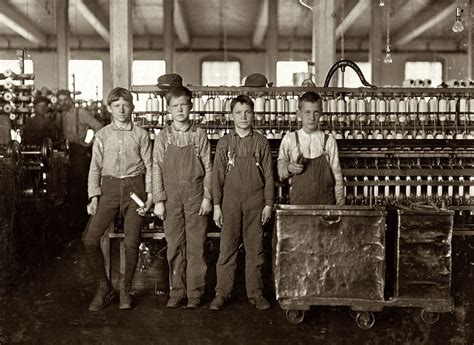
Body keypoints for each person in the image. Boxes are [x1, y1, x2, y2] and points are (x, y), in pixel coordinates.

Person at [83, 87, 152, 311]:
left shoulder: (141, 134)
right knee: (90, 239)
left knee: (132, 242)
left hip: (135, 189)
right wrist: (94, 196)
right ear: (109, 109)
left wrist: (151, 196)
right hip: (109, 188)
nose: (121, 110)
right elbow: (95, 168)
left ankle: (125, 289)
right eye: (116, 106)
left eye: (125, 105)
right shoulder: (102, 135)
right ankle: (104, 288)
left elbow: (150, 167)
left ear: (132, 107)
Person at [209, 95, 273, 311]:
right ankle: (222, 293)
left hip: (256, 202)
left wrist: (268, 204)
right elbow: (216, 177)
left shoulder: (261, 142)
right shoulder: (225, 143)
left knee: (255, 249)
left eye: (247, 112)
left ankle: (256, 294)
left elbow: (270, 177)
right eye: (238, 112)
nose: (243, 117)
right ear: (231, 116)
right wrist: (217, 205)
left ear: (253, 114)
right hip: (230, 202)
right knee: (226, 248)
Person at [152, 85, 212, 309]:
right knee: (175, 245)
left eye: (183, 105)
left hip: (196, 196)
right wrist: (158, 200)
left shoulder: (199, 135)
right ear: (168, 110)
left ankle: (195, 293)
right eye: (175, 106)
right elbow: (156, 168)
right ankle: (177, 292)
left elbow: (209, 168)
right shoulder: (163, 137)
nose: (179, 110)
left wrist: (207, 197)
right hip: (171, 198)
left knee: (196, 246)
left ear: (191, 106)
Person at [277, 91, 344, 205]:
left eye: (316, 112)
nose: (312, 117)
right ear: (299, 114)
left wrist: (340, 204)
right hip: (299, 206)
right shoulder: (289, 139)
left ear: (321, 113)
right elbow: (280, 171)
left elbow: (337, 177)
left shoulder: (329, 141)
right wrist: (288, 167)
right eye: (307, 112)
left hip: (326, 207)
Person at [57, 89, 103, 234]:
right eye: (60, 100)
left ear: (70, 99)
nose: (63, 103)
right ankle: (72, 226)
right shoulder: (60, 115)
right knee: (68, 188)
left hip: (79, 153)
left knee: (80, 188)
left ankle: (83, 225)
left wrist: (88, 143)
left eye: (65, 99)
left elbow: (99, 128)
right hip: (66, 153)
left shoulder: (81, 112)